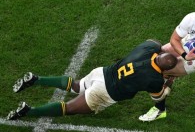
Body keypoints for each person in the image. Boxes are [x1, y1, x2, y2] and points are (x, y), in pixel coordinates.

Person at [7, 39, 178, 120]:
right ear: (164, 70)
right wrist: (169, 82)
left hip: (101, 73)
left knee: (75, 86)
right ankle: (29, 111)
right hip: (105, 92)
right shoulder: (154, 80)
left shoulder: (148, 48)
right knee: (69, 108)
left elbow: (154, 41)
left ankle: (36, 79)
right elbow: (159, 96)